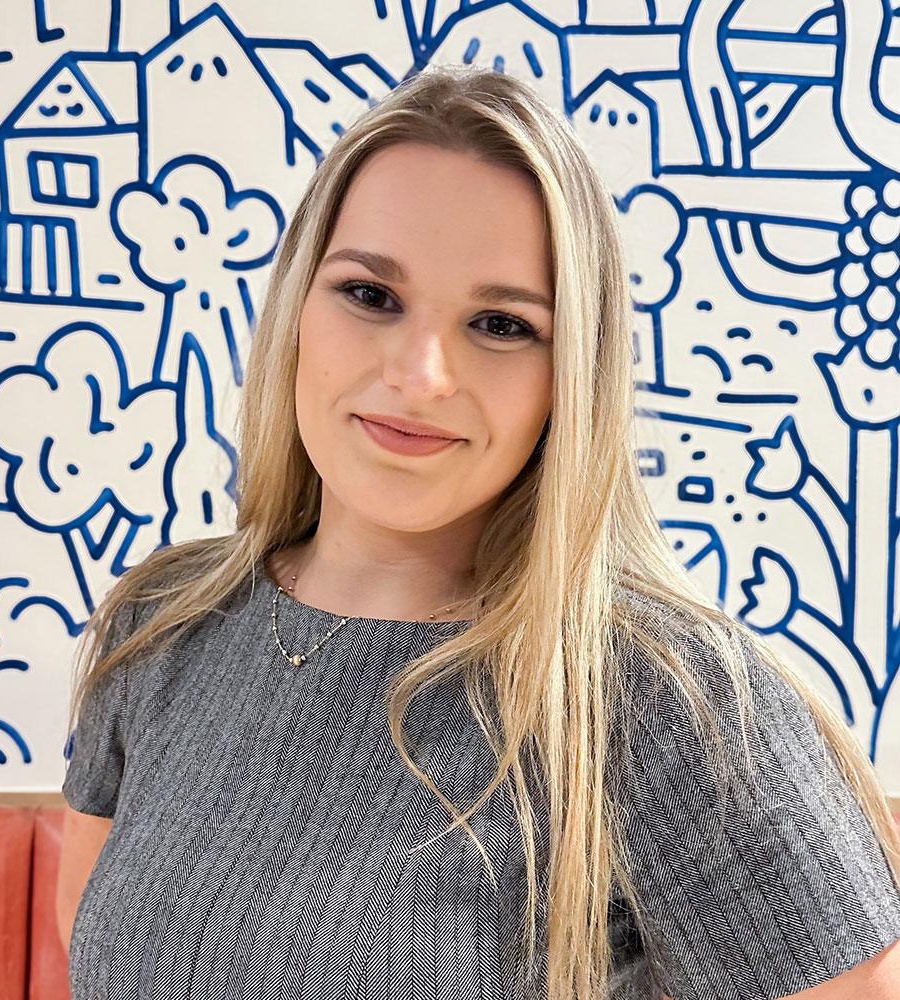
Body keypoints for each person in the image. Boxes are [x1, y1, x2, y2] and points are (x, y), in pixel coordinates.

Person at [56, 63, 900, 1000]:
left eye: (500, 324)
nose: (420, 374)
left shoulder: (668, 695)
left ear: (569, 377)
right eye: (370, 295)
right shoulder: (162, 623)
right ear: (296, 310)